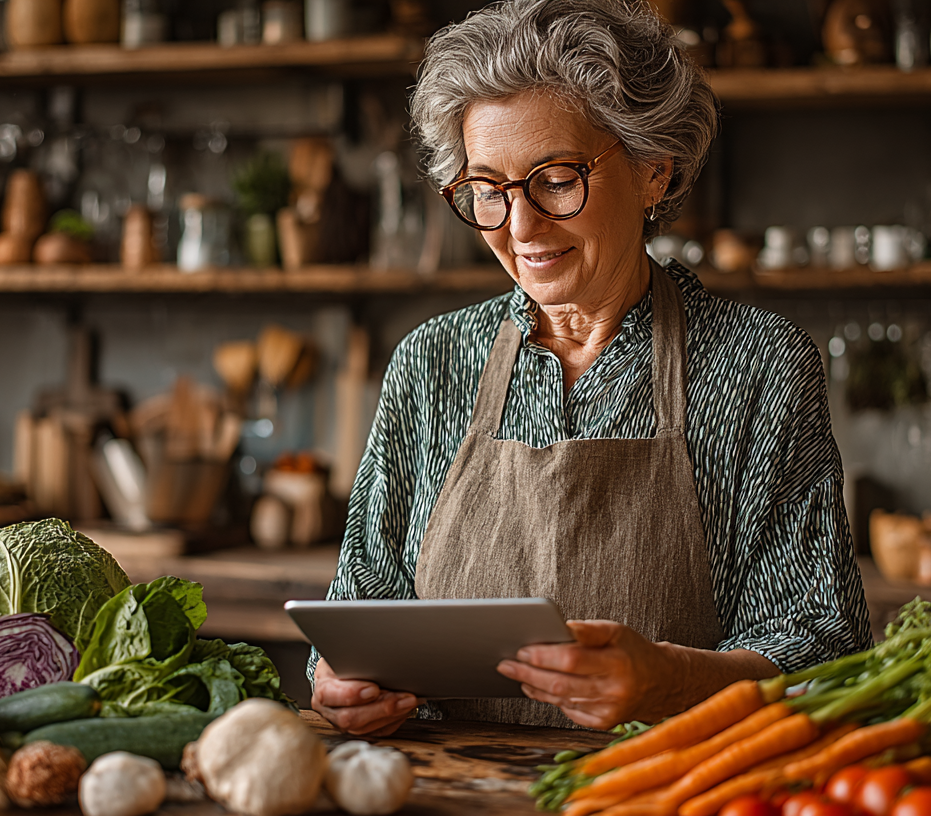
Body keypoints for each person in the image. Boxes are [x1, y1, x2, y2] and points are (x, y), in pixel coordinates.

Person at [310, 0, 872, 735]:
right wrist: (340, 681)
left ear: (653, 171)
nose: (519, 227)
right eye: (488, 190)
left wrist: (674, 683)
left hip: (661, 791)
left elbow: (827, 653)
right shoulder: (432, 362)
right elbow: (362, 606)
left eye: (555, 178)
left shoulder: (759, 366)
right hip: (445, 792)